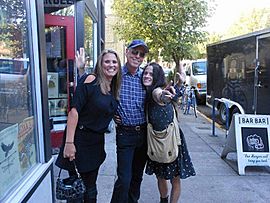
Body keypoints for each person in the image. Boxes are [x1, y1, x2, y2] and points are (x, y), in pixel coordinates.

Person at [55, 48, 122, 203]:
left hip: (96, 143)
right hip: (79, 141)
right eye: (107, 61)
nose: (111, 65)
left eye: (114, 62)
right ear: (100, 64)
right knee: (77, 190)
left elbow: (102, 107)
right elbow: (74, 112)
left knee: (90, 188)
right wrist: (69, 143)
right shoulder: (91, 80)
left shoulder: (113, 87)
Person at [142, 62, 196, 203]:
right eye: (145, 73)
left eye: (151, 74)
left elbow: (162, 96)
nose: (147, 76)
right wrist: (180, 82)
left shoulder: (156, 91)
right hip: (158, 143)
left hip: (173, 142)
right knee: (160, 177)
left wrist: (165, 94)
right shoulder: (149, 93)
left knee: (175, 179)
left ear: (157, 77)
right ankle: (163, 201)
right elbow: (172, 93)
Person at [110, 39, 149, 203]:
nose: (138, 56)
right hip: (125, 134)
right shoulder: (116, 75)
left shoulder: (146, 77)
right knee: (124, 179)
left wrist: (180, 84)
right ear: (126, 52)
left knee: (136, 178)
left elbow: (161, 94)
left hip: (143, 134)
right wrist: (112, 113)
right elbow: (101, 94)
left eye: (141, 54)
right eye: (135, 52)